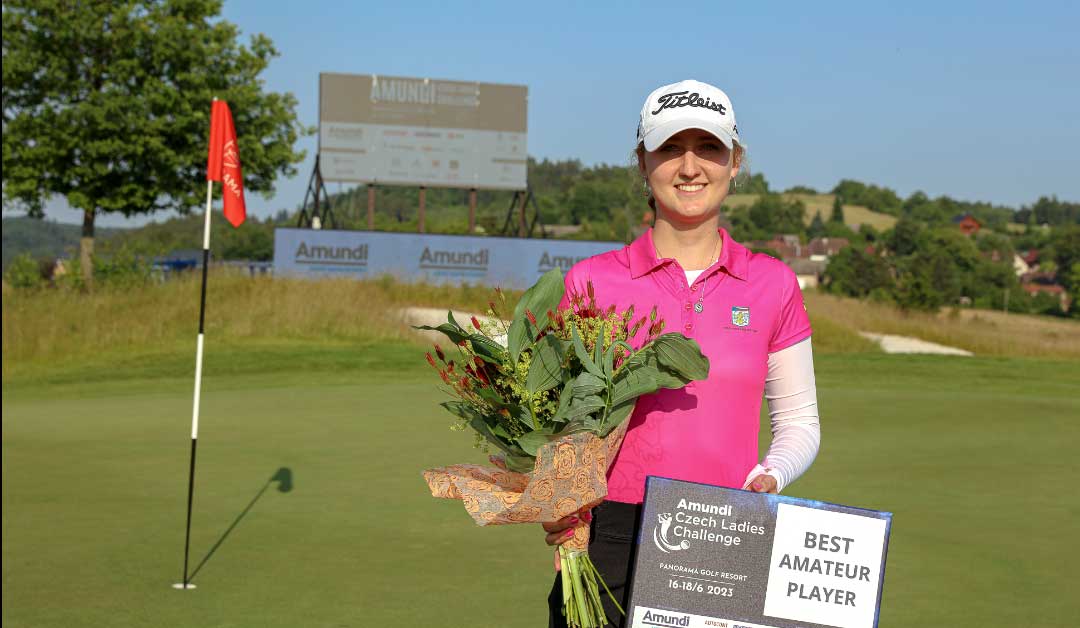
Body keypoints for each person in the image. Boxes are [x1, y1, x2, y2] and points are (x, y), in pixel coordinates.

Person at [544, 79, 821, 627]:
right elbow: (561, 421)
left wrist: (771, 474)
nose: (690, 167)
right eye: (670, 148)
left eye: (709, 148)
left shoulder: (774, 284)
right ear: (642, 163)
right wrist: (558, 500)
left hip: (725, 533)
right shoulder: (591, 281)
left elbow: (799, 423)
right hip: (608, 536)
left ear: (735, 162)